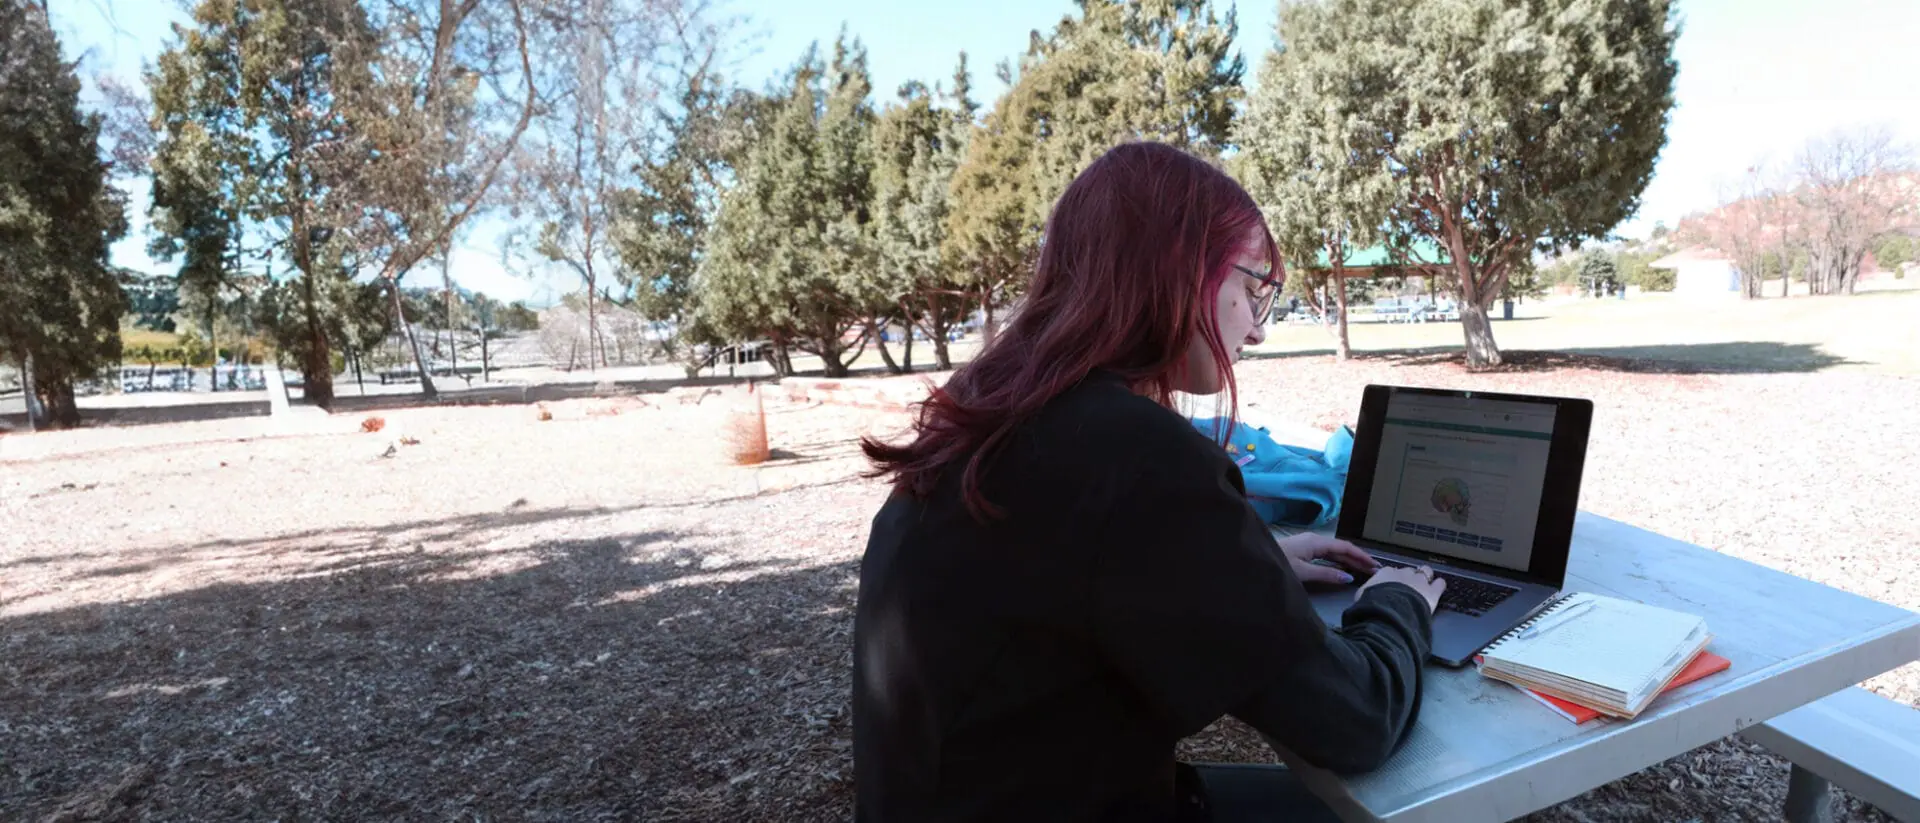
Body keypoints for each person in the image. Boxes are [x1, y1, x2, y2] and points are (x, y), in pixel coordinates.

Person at [852, 142, 1445, 823]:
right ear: (1184, 271)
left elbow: (1058, 579)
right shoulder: (1138, 455)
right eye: (1253, 289)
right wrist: (1398, 603)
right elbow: (1355, 720)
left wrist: (1251, 567)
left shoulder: (989, 409)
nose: (1255, 330)